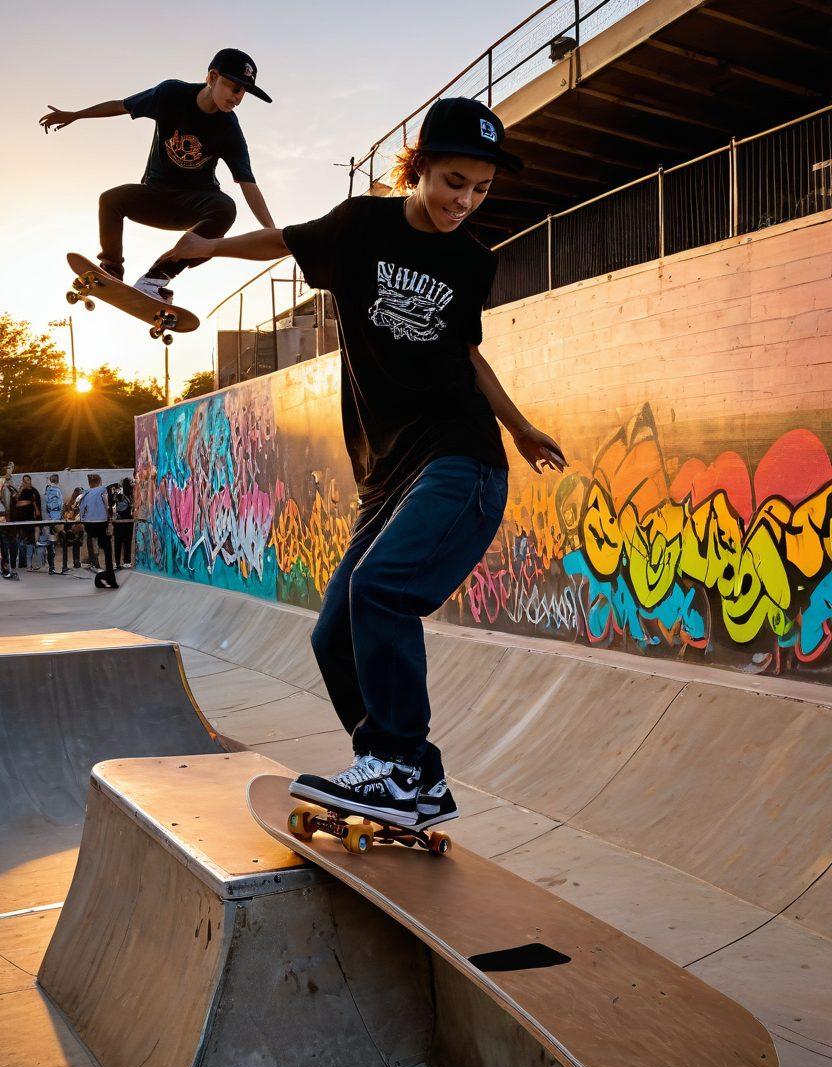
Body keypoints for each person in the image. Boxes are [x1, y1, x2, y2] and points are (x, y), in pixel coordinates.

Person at [162, 98, 565, 832]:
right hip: (386, 476)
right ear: (416, 168)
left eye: (480, 189)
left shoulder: (474, 261)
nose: (463, 202)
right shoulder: (360, 227)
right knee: (332, 634)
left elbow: (465, 354)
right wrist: (207, 249)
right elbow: (283, 240)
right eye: (451, 181)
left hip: (459, 459)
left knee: (381, 589)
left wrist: (521, 425)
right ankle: (413, 779)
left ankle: (396, 762)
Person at [39, 50, 275, 305]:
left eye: (243, 93)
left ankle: (156, 278)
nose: (237, 98)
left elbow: (247, 183)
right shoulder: (170, 94)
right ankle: (111, 269)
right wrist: (76, 115)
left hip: (195, 204)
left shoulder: (229, 130)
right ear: (212, 76)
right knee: (110, 200)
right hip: (155, 196)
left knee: (226, 207)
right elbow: (121, 105)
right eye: (233, 88)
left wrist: (273, 233)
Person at [79, 474, 118, 589]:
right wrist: (110, 519)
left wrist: (84, 523)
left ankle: (100, 571)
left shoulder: (85, 493)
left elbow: (82, 509)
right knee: (107, 550)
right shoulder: (103, 490)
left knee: (94, 544)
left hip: (89, 525)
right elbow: (107, 506)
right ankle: (111, 578)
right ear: (100, 481)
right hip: (101, 523)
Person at [38, 473, 64, 576]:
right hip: (54, 521)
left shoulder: (47, 492)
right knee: (51, 545)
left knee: (50, 544)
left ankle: (50, 567)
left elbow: (44, 508)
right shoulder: (57, 492)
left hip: (47, 521)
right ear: (58, 481)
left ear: (49, 480)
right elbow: (60, 506)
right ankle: (52, 568)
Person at [15, 475, 42, 571]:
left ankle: (33, 564)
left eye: (27, 480)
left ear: (31, 480)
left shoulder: (34, 491)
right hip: (21, 521)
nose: (26, 482)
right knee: (22, 543)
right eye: (24, 480)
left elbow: (37, 506)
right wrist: (19, 491)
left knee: (33, 542)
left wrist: (38, 520)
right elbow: (17, 503)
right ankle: (24, 563)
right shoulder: (22, 492)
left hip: (32, 520)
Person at [0, 464, 20, 580]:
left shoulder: (11, 482)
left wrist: (15, 491)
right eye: (10, 468)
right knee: (4, 545)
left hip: (12, 519)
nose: (11, 470)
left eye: (12, 468)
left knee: (14, 544)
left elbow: (16, 497)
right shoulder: (1, 482)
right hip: (2, 519)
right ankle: (6, 569)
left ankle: (13, 568)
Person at [58, 488, 85, 573]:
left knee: (67, 546)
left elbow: (62, 514)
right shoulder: (79, 503)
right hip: (75, 526)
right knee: (76, 544)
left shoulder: (68, 502)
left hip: (69, 526)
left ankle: (66, 565)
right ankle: (76, 562)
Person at [113, 477, 134, 569]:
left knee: (118, 542)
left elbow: (117, 507)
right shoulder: (131, 494)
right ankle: (127, 561)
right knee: (127, 541)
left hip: (119, 519)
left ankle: (117, 562)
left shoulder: (118, 494)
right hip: (129, 519)